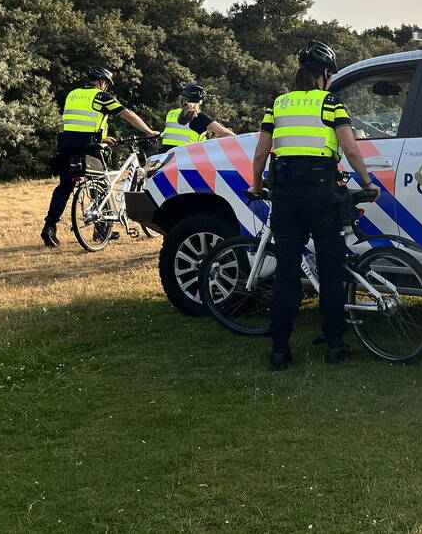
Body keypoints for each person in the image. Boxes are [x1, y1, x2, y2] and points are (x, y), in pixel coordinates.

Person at [248, 41, 380, 371]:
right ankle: (335, 345)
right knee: (331, 271)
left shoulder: (277, 105)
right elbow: (350, 150)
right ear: (324, 73)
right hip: (322, 193)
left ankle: (279, 351)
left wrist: (255, 184)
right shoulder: (331, 104)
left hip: (286, 195)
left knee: (286, 274)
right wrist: (367, 183)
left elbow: (262, 152)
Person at [41, 67, 160, 247]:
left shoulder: (72, 94)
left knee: (64, 186)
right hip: (89, 146)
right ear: (103, 82)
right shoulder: (101, 96)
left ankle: (49, 226)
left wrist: (103, 136)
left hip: (66, 144)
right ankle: (101, 231)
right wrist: (149, 132)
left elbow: (78, 123)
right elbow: (127, 115)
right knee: (101, 184)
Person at [159, 83, 235, 155]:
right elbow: (226, 134)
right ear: (200, 101)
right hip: (186, 159)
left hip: (165, 159)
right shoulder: (199, 116)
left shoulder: (171, 113)